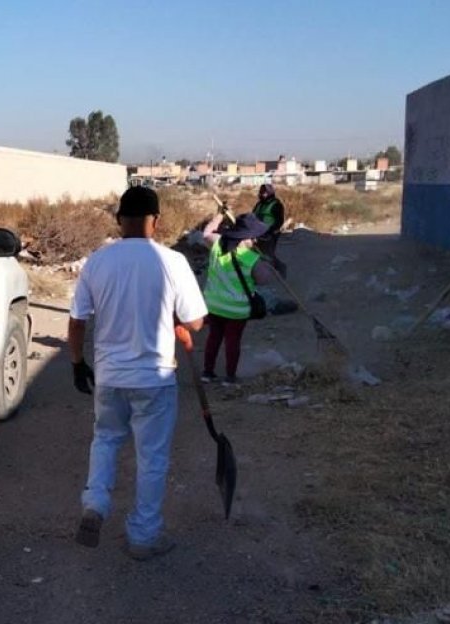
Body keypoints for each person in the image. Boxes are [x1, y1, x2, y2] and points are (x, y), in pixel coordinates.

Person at [67, 186, 207, 560]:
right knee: (152, 459)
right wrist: (173, 318)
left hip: (110, 377)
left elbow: (77, 321)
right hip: (154, 378)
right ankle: (143, 536)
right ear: (155, 221)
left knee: (105, 439)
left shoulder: (97, 262)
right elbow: (196, 321)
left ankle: (95, 502)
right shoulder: (172, 261)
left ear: (119, 220)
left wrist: (77, 362)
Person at [199, 212, 277, 385]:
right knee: (232, 341)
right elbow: (264, 280)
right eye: (253, 237)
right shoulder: (251, 258)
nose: (255, 241)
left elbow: (206, 233)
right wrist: (267, 263)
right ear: (245, 237)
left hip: (214, 304)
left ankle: (207, 373)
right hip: (237, 309)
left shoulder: (217, 243)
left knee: (213, 338)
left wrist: (219, 216)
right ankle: (229, 377)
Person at [251, 183, 288, 276]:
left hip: (270, 235)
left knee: (268, 256)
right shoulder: (259, 204)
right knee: (257, 255)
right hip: (257, 234)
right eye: (261, 192)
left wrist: (270, 231)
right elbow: (252, 216)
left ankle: (277, 272)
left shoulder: (276, 205)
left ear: (269, 193)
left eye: (264, 193)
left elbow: (279, 221)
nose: (261, 194)